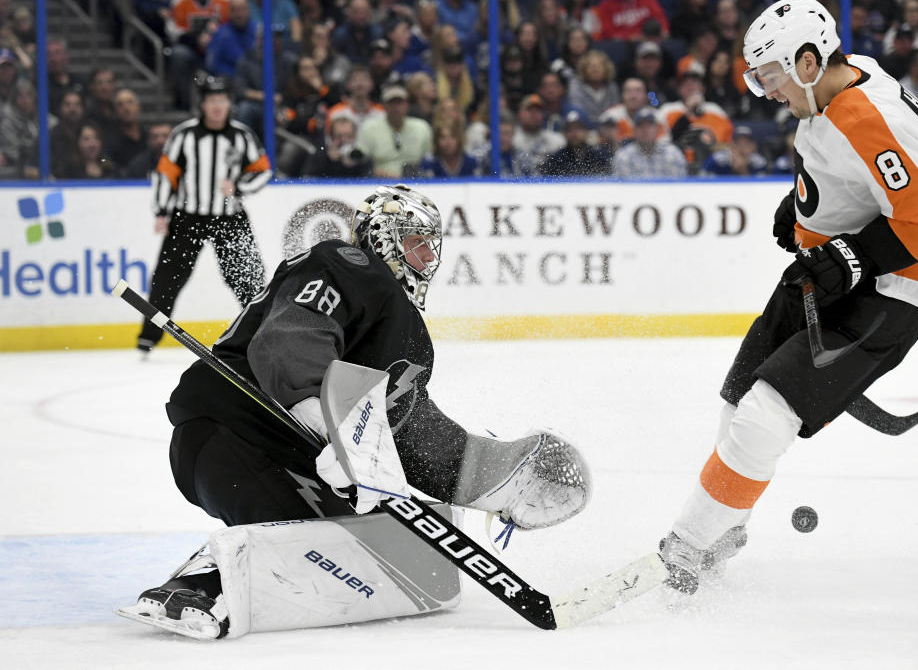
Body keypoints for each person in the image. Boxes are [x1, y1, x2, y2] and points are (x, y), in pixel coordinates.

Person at [118, 185, 591, 639]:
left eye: (432, 248)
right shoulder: (350, 264)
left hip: (285, 456)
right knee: (324, 545)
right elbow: (291, 336)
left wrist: (497, 478)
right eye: (416, 244)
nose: (427, 260)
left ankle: (220, 571)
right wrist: (325, 422)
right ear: (384, 239)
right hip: (238, 430)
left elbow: (404, 428)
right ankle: (197, 586)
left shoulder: (401, 331)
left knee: (387, 550)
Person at [658, 0, 918, 595]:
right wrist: (804, 204)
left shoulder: (867, 115)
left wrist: (856, 256)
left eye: (769, 76)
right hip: (829, 269)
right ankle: (724, 527)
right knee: (740, 399)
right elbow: (856, 171)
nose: (765, 91)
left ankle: (689, 545)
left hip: (892, 289)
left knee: (765, 414)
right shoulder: (839, 83)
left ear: (805, 61)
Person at [137, 76, 271, 354]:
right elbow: (167, 173)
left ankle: (265, 331)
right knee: (168, 276)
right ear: (203, 104)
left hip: (229, 216)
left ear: (229, 103)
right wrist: (162, 210)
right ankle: (149, 334)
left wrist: (239, 187)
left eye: (222, 100)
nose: (217, 106)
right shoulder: (184, 135)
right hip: (189, 216)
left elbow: (263, 170)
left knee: (247, 276)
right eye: (212, 100)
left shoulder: (241, 135)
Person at [356, 84, 432, 177]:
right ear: (383, 105)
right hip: (379, 181)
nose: (395, 107)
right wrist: (374, 172)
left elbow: (430, 159)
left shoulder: (422, 127)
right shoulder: (369, 127)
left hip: (414, 180)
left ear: (407, 105)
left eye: (399, 102)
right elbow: (360, 161)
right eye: (391, 102)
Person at [612, 107, 686, 178]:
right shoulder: (624, 156)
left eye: (649, 125)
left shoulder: (672, 154)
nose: (645, 130)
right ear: (633, 131)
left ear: (657, 129)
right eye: (640, 126)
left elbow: (679, 186)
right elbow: (622, 188)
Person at [539, 109, 611, 177]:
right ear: (564, 133)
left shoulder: (598, 158)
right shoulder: (556, 160)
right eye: (570, 129)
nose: (574, 133)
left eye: (578, 129)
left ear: (586, 131)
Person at [301, 115, 372, 178]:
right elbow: (308, 179)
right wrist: (328, 161)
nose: (343, 140)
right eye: (338, 136)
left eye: (348, 136)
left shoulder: (362, 158)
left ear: (354, 137)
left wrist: (354, 165)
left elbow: (368, 181)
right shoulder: (320, 155)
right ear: (331, 137)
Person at [701, 124, 767, 176]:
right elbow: (701, 182)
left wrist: (744, 172)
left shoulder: (759, 163)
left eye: (746, 144)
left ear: (753, 146)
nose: (742, 148)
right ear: (731, 145)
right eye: (738, 143)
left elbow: (761, 188)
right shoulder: (717, 160)